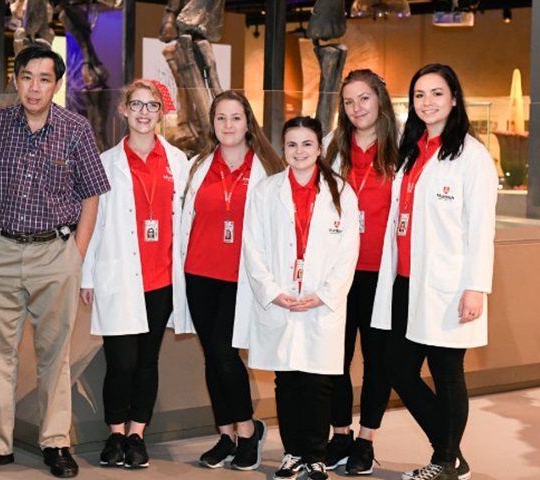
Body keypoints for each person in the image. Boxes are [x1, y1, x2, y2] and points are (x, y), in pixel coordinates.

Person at [0, 44, 110, 479]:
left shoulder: (76, 129)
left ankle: (55, 443)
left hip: (54, 252)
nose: (35, 86)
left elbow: (91, 195)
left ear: (57, 85)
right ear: (17, 80)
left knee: (54, 354)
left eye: (45, 78)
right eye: (27, 77)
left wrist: (75, 256)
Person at [372, 64, 496, 480]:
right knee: (398, 370)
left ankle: (444, 461)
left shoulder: (472, 156)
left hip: (449, 284)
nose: (428, 102)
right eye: (420, 94)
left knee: (446, 372)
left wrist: (475, 287)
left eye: (437, 93)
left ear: (455, 99)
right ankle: (449, 450)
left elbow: (481, 228)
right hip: (408, 281)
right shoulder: (413, 150)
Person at [238, 116, 359, 480]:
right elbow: (252, 246)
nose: (299, 151)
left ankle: (316, 455)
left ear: (319, 148)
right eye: (292, 144)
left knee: (318, 382)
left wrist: (324, 295)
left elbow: (348, 250)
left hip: (321, 304)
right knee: (287, 380)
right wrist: (273, 292)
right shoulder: (266, 191)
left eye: (307, 144)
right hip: (282, 300)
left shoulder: (341, 192)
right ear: (283, 148)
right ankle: (292, 453)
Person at [79, 79, 188, 469]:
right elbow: (91, 223)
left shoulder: (178, 162)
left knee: (147, 361)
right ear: (123, 110)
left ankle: (137, 434)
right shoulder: (105, 162)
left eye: (152, 106)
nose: (144, 113)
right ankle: (114, 433)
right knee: (120, 361)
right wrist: (87, 276)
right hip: (119, 274)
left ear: (162, 112)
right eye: (137, 105)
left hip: (161, 278)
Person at [179, 90, 282, 471]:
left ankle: (248, 429)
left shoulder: (268, 169)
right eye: (221, 118)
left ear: (248, 121)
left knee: (225, 354)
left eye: (235, 117)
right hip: (198, 274)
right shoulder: (199, 165)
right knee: (212, 355)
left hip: (241, 278)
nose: (228, 125)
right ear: (213, 123)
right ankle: (225, 434)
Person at [322, 69, 399, 475]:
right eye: (349, 102)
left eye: (364, 99)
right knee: (336, 357)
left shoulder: (403, 151)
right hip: (340, 272)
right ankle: (340, 433)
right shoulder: (332, 148)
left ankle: (366, 439)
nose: (357, 108)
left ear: (380, 101)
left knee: (377, 361)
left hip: (381, 274)